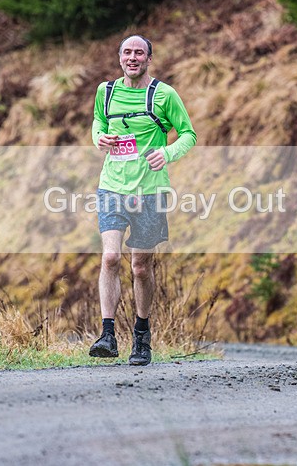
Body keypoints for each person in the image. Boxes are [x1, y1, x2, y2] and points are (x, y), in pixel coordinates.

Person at [89, 35, 196, 365]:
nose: (132, 57)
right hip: (111, 187)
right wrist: (99, 138)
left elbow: (188, 134)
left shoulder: (164, 94)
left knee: (140, 267)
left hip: (150, 192)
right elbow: (98, 122)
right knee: (110, 258)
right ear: (119, 57)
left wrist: (167, 152)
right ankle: (107, 334)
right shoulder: (105, 92)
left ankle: (141, 334)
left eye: (139, 53)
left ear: (149, 59)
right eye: (126, 52)